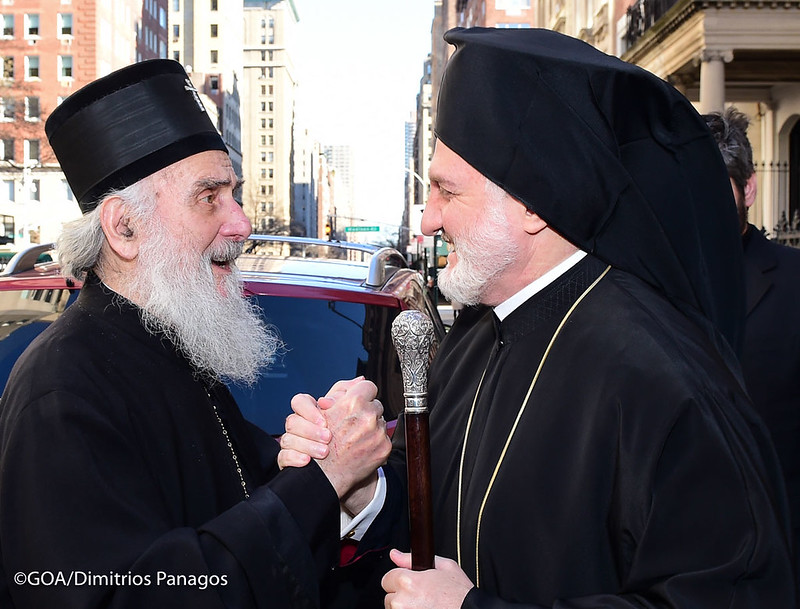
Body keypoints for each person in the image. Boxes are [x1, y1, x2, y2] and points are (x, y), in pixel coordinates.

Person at [279, 28, 798, 608]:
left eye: (448, 192)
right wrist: (360, 487)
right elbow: (442, 506)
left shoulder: (662, 377)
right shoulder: (476, 333)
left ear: (531, 203)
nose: (427, 220)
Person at [0, 59, 391, 609]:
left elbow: (256, 489)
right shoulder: (62, 394)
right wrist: (322, 480)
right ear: (124, 228)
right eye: (210, 197)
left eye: (234, 194)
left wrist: (329, 458)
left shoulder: (174, 351)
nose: (242, 223)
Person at [704, 106, 800, 578]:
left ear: (749, 189)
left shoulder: (795, 282)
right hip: (677, 558)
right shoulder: (647, 285)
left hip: (779, 552)